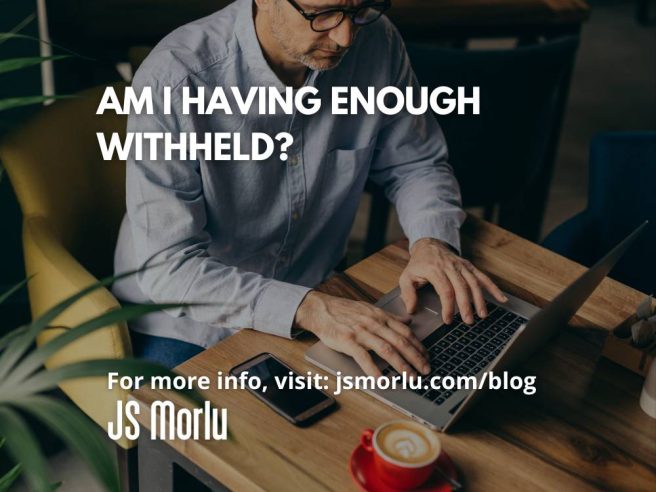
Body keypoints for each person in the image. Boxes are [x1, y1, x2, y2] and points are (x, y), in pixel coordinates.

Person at [113, 0, 507, 372]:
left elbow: (416, 163)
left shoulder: (377, 42)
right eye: (323, 14)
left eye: (357, 9)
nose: (346, 37)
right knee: (221, 436)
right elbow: (170, 268)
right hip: (186, 320)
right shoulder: (174, 79)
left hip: (319, 288)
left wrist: (431, 243)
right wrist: (312, 309)